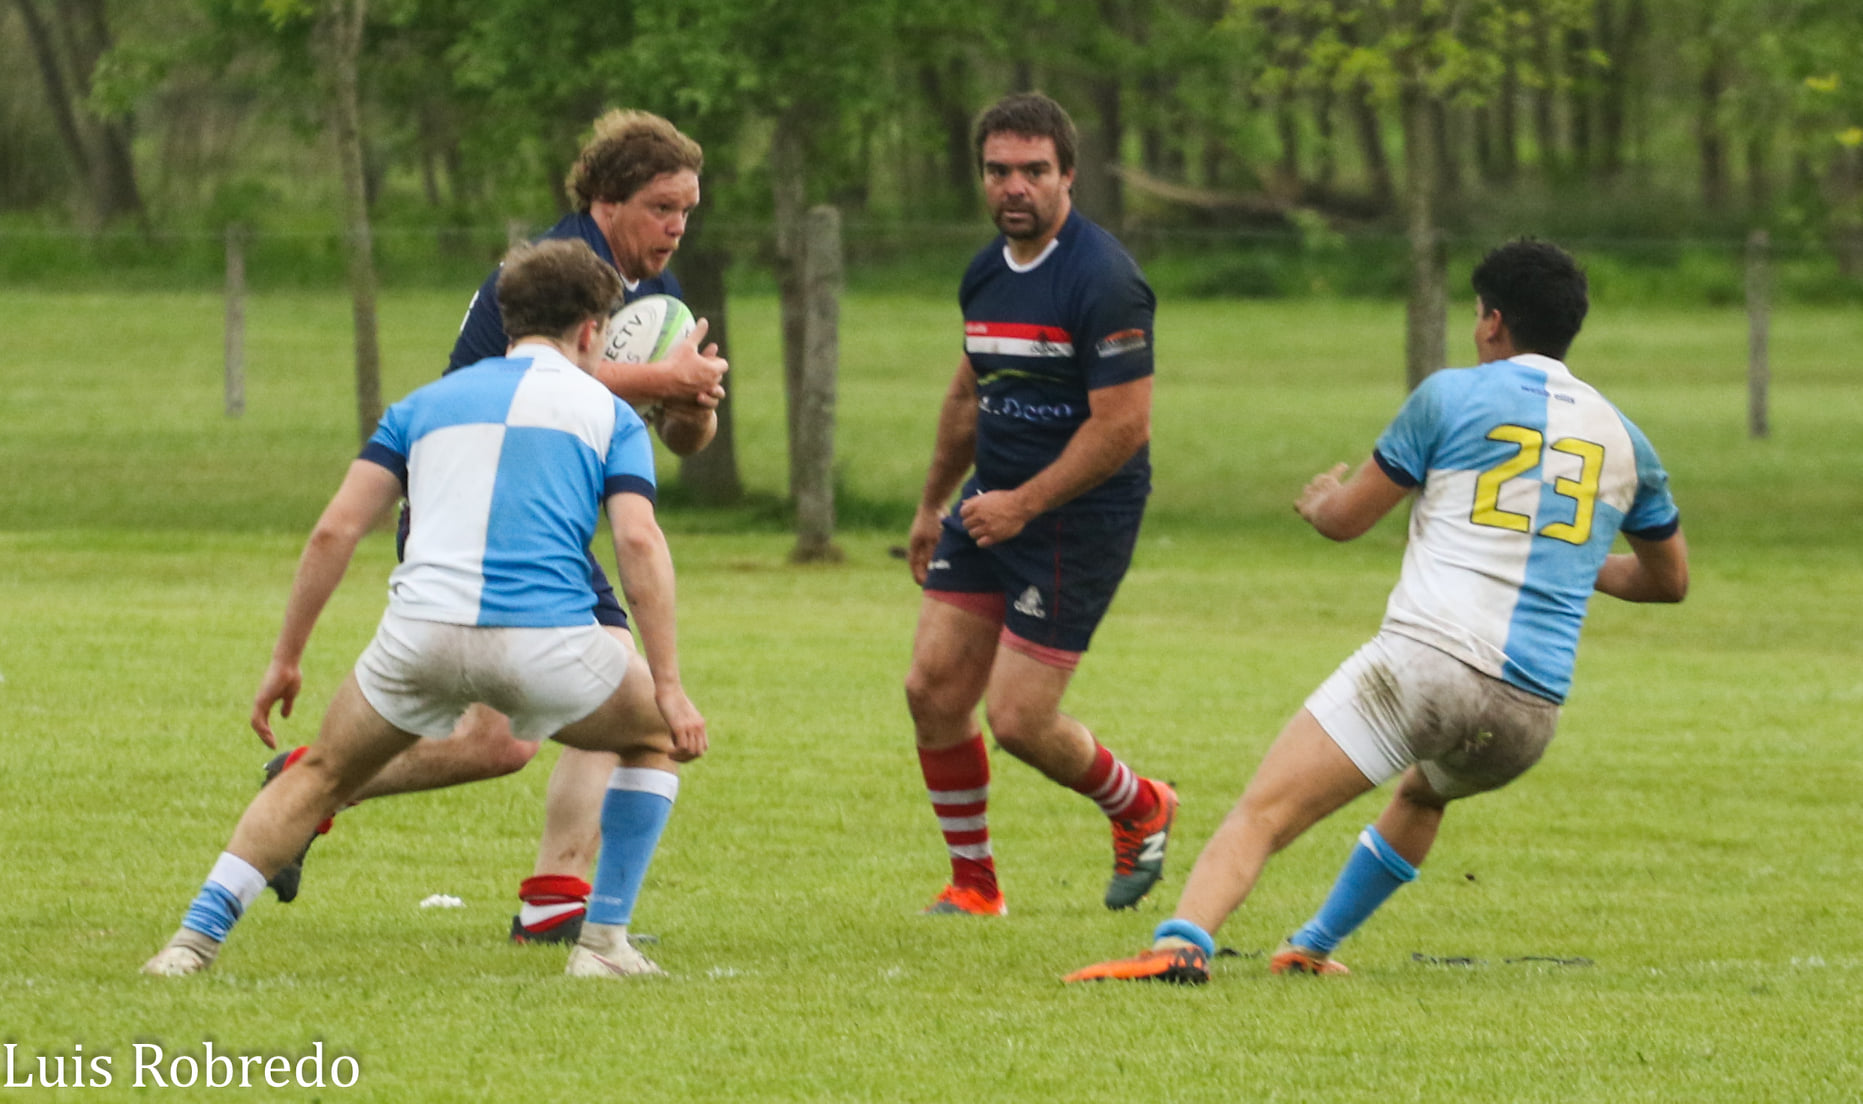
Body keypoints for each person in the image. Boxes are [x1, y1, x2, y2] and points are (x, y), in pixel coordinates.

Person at [1064, 239, 1690, 984]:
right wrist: (1561, 560)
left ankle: (1179, 946)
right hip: (1530, 711)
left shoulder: (1449, 396)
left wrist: (1319, 502)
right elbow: (1669, 581)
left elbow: (1346, 521)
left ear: (1492, 321)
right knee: (1423, 795)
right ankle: (1310, 946)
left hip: (1430, 664)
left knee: (1264, 812)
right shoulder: (1627, 442)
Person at [144, 238, 706, 980]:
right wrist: (668, 684)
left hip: (420, 641)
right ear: (590, 330)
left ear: (509, 320)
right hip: (547, 646)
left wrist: (286, 657)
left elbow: (335, 530)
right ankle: (602, 945)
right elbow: (636, 541)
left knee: (319, 775)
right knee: (656, 734)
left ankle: (189, 944)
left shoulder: (420, 406)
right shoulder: (609, 413)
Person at [260, 109, 729, 946]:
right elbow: (515, 387)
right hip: (469, 512)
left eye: (687, 211)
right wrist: (662, 378)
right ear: (607, 200)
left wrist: (691, 401)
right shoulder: (552, 270)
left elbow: (684, 437)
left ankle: (547, 896)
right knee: (558, 718)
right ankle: (312, 785)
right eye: (662, 208)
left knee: (551, 724)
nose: (676, 227)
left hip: (542, 527)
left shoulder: (655, 299)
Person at [903, 92, 1176, 918]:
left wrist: (1023, 505)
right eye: (997, 171)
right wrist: (932, 505)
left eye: (1032, 170)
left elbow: (1122, 427)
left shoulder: (1103, 280)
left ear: (1068, 175)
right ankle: (974, 885)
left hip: (1075, 517)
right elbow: (967, 395)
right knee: (932, 691)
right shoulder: (986, 272)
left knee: (1019, 720)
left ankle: (1140, 805)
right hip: (992, 504)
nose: (1013, 186)